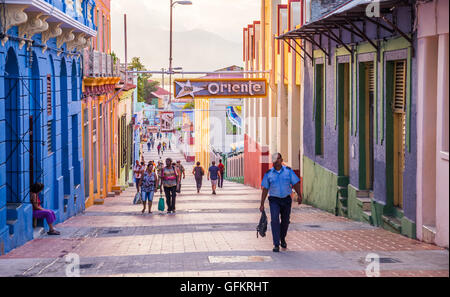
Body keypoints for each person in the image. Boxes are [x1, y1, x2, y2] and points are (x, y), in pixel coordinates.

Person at [260, 153, 302, 252]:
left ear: (281, 159)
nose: (276, 161)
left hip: (286, 200)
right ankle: (276, 244)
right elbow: (265, 189)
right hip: (274, 200)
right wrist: (262, 203)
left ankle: (282, 238)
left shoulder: (288, 171)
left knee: (285, 221)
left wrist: (300, 195)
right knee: (274, 220)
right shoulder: (268, 173)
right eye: (274, 159)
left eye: (278, 159)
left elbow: (295, 183)